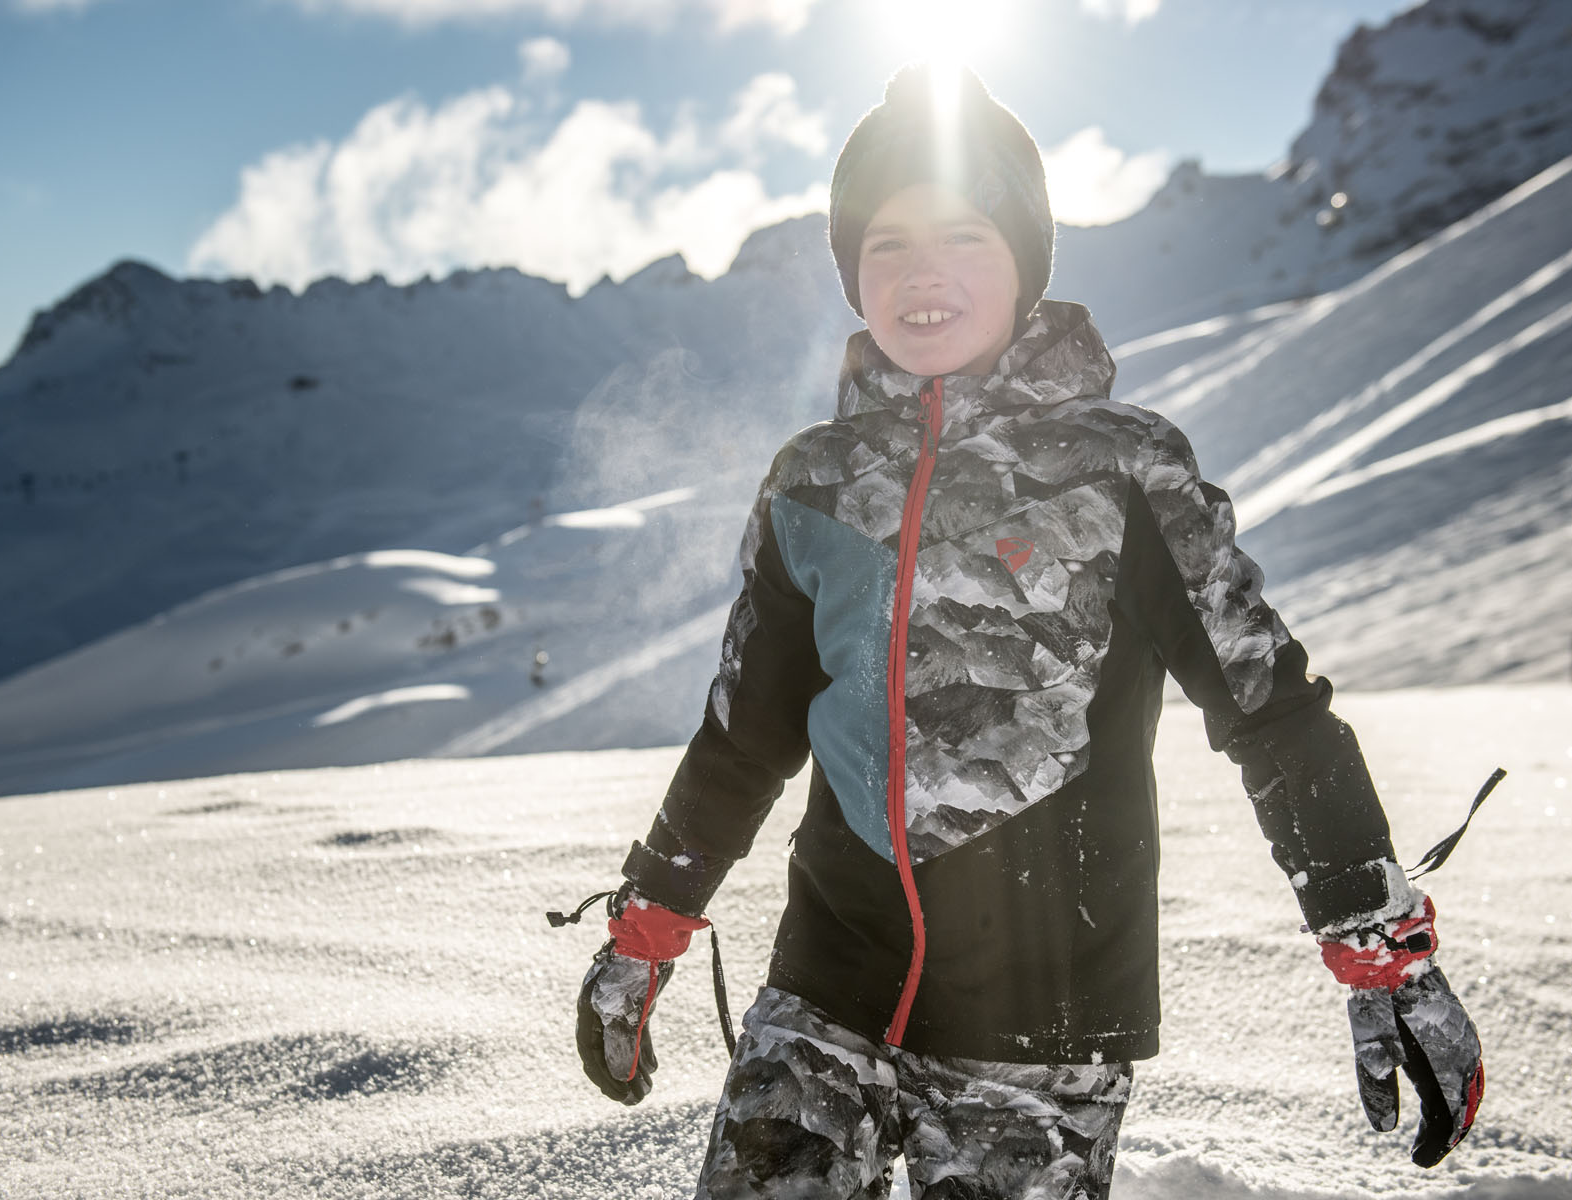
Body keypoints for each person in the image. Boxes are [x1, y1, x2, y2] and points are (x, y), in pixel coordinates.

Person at [568, 64, 1483, 1199]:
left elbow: (1266, 707)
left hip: (1042, 1025)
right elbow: (742, 734)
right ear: (851, 270)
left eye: (962, 234)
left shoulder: (1121, 465)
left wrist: (1376, 949)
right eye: (886, 242)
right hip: (821, 995)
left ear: (1023, 260)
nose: (920, 273)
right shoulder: (812, 481)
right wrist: (650, 917)